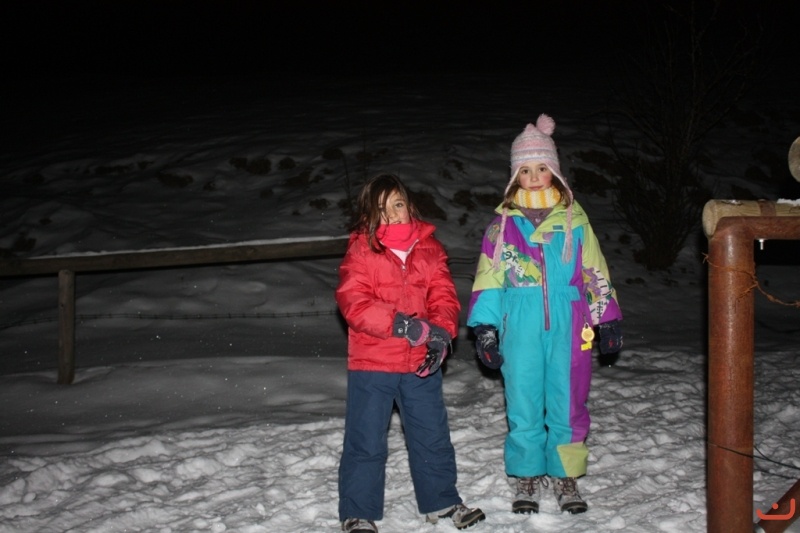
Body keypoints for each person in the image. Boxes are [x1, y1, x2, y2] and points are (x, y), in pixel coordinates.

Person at [467, 115, 623, 515]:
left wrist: (606, 317)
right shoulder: (502, 227)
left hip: (570, 324)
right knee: (523, 401)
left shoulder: (576, 222)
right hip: (520, 324)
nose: (534, 177)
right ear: (514, 176)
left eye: (541, 168)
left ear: (554, 171)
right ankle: (526, 473)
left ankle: (565, 475)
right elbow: (489, 278)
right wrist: (485, 327)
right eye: (525, 170)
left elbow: (594, 270)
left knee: (568, 402)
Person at [335, 173, 486, 533]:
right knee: (366, 439)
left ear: (410, 206)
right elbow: (354, 302)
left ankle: (442, 501)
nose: (392, 214)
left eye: (398, 204)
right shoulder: (361, 250)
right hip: (373, 362)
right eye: (382, 209)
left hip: (420, 362)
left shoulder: (430, 249)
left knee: (431, 433)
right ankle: (358, 512)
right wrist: (402, 325)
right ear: (369, 216)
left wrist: (441, 335)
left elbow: (444, 296)